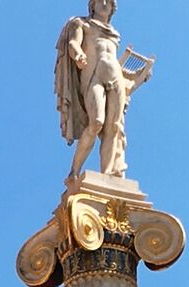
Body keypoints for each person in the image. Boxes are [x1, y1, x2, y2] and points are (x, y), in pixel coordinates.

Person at [53, 0, 153, 179]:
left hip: (115, 77)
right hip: (93, 76)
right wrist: (78, 55)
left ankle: (108, 177)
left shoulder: (115, 33)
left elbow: (114, 61)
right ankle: (74, 171)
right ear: (92, 5)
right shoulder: (82, 23)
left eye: (109, 1)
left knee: (113, 128)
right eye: (100, 0)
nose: (105, 3)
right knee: (97, 122)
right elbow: (73, 44)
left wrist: (140, 74)